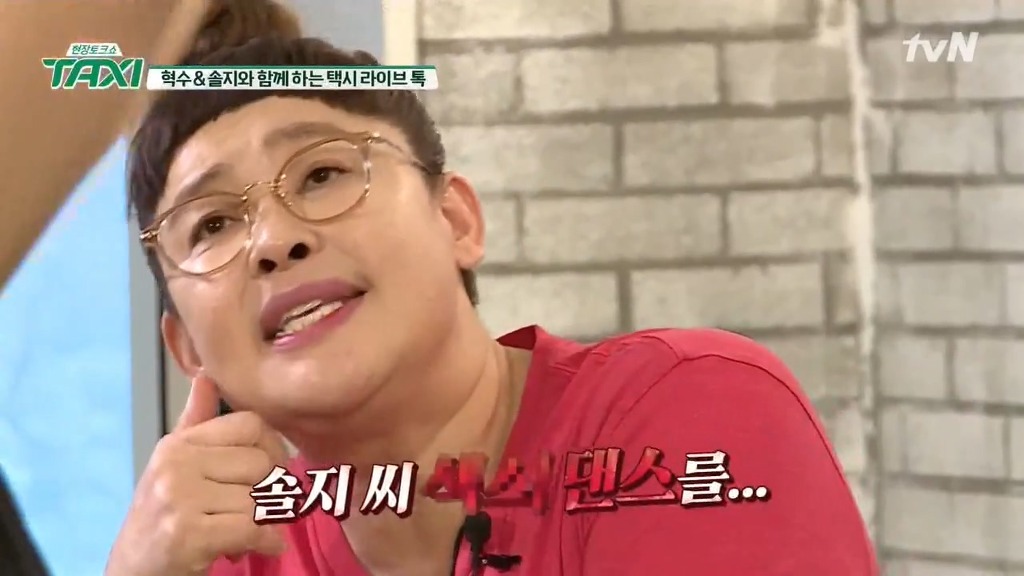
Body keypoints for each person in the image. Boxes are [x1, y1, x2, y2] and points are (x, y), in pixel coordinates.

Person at [91, 1, 879, 575]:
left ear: (455, 220)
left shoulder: (688, 418)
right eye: (213, 224)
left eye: (324, 174)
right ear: (188, 349)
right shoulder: (231, 554)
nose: (273, 239)